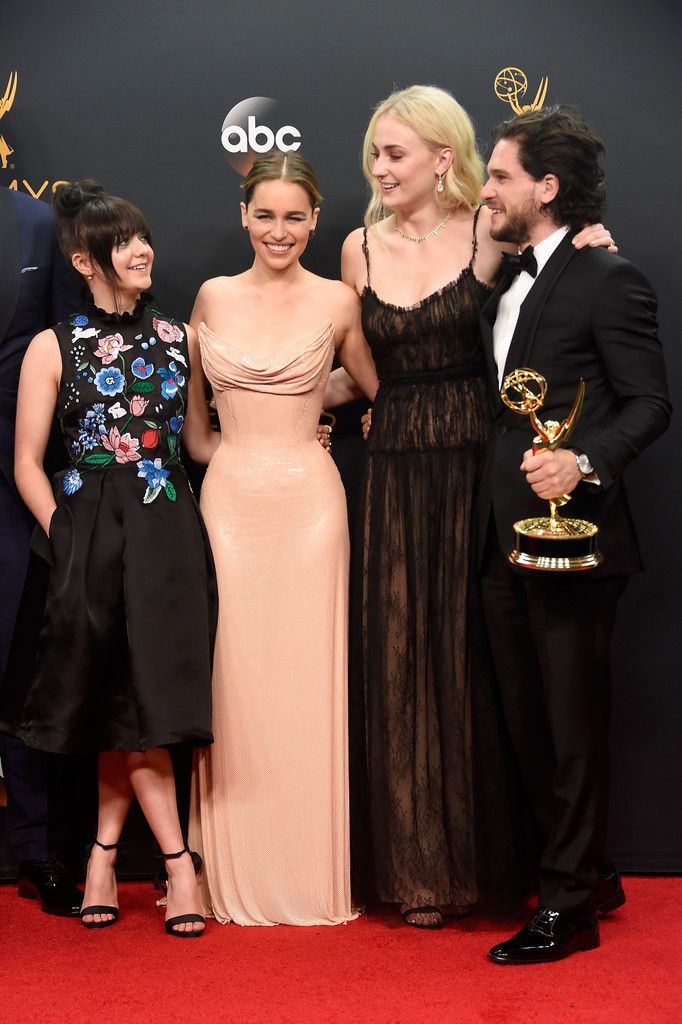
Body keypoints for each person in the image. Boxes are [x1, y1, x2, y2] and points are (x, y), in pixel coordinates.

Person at [330, 85, 616, 928]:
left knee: (474, 666)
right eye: (374, 154)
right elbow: (354, 365)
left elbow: (555, 300)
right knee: (400, 654)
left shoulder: (488, 232)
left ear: (442, 159)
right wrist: (289, 402)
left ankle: (499, 866)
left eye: (394, 154)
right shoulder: (356, 246)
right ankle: (418, 870)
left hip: (475, 464)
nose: (378, 168)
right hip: (391, 464)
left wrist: (597, 246)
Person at [477, 106, 670, 964]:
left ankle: (568, 909)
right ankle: (585, 870)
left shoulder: (608, 276)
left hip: (574, 536)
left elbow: (649, 404)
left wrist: (582, 464)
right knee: (527, 721)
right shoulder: (509, 276)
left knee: (570, 723)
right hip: (499, 536)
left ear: (545, 188)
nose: (485, 191)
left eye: (500, 176)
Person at [3, 180, 219, 936]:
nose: (140, 249)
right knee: (106, 695)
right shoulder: (51, 345)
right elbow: (26, 461)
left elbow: (197, 444)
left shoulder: (177, 338)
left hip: (167, 532)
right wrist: (65, 531)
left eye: (142, 236)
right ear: (82, 259)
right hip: (87, 533)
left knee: (146, 696)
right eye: (121, 241)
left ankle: (107, 858)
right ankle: (176, 865)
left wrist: (279, 443)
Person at [187, 151, 379, 926]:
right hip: (229, 505)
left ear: (315, 219)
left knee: (305, 679)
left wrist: (320, 414)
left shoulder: (338, 300)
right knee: (235, 683)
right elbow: (197, 432)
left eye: (294, 216)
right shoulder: (210, 297)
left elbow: (375, 387)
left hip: (310, 508)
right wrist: (247, 450)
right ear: (243, 216)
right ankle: (228, 864)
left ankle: (308, 869)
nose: (279, 230)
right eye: (264, 215)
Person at [0, 186, 83, 916]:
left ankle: (35, 847)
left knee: (19, 671)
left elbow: (67, 356)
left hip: (10, 485)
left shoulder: (32, 222)